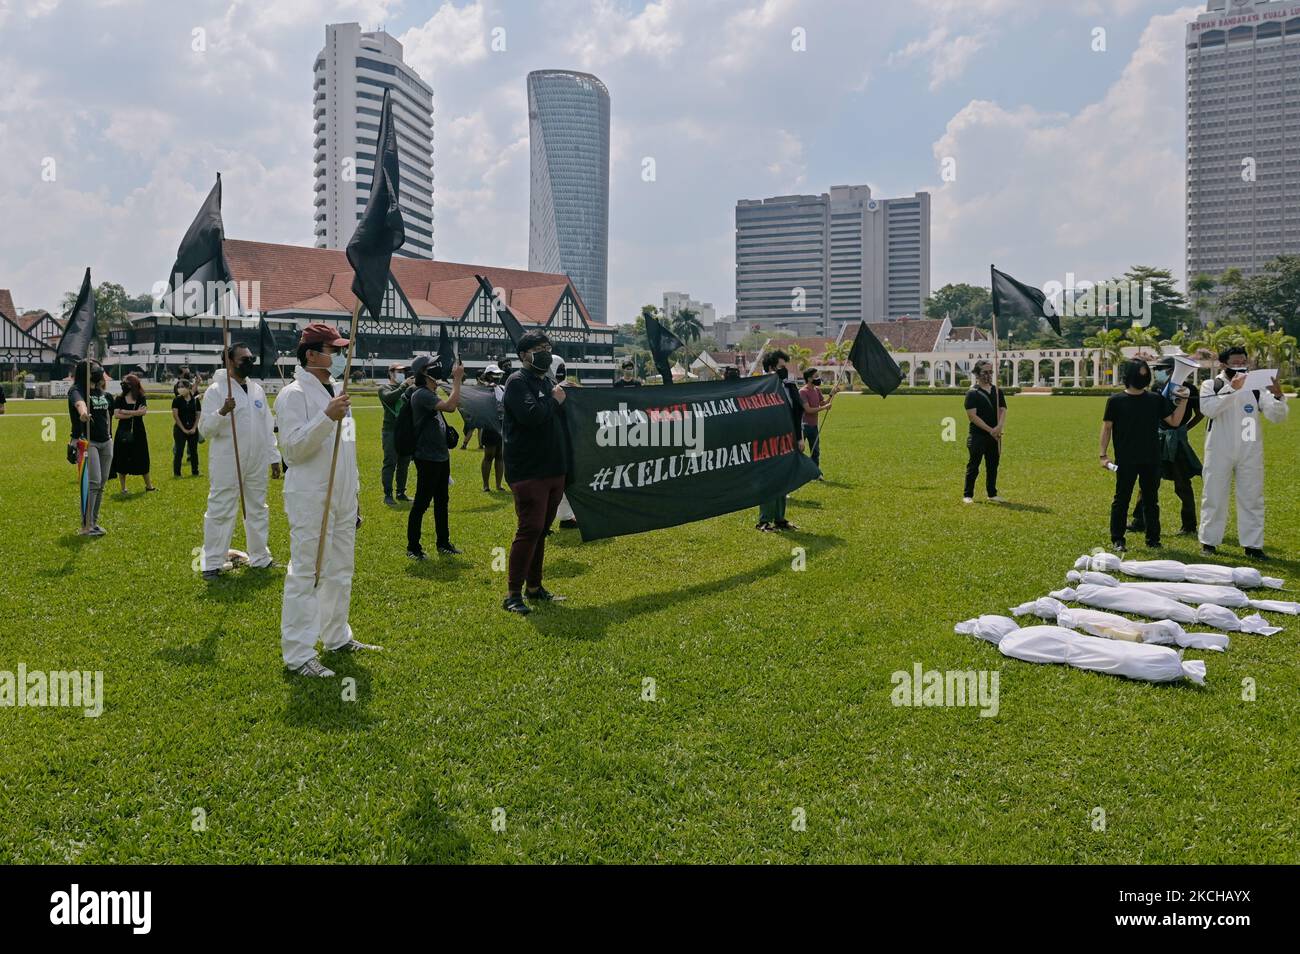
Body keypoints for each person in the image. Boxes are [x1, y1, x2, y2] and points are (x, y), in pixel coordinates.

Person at [276, 323, 379, 677]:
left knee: (339, 570)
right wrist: (325, 417)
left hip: (342, 496)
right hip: (311, 496)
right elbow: (292, 449)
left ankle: (336, 635)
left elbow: (346, 450)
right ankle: (299, 654)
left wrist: (356, 497)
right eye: (332, 351)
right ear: (311, 354)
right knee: (307, 572)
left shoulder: (340, 392)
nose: (337, 357)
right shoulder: (293, 395)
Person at [501, 330, 570, 614]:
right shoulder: (517, 382)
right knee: (529, 529)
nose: (545, 352)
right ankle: (512, 594)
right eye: (539, 348)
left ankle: (535, 587)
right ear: (523, 355)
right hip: (528, 469)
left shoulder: (547, 381)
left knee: (541, 530)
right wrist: (555, 400)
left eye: (548, 347)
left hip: (553, 466)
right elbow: (532, 417)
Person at [198, 343, 280, 580]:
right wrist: (222, 412)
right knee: (221, 509)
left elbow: (266, 426)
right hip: (227, 460)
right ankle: (212, 562)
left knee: (257, 508)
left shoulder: (256, 390)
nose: (250, 361)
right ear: (230, 361)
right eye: (244, 358)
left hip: (256, 460)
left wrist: (274, 457)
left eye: (251, 357)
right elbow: (205, 430)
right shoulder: (216, 390)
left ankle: (260, 557)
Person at [1198, 346, 1289, 559]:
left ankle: (1253, 545)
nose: (1239, 367)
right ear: (1223, 364)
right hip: (1219, 449)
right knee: (1214, 495)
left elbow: (1278, 417)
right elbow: (1209, 409)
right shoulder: (1211, 385)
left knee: (1252, 497)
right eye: (1235, 362)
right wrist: (1233, 390)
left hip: (1249, 448)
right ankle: (1209, 542)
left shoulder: (1256, 389)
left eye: (1243, 362)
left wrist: (1278, 396)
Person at [1099, 358, 1189, 553]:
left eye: (1145, 372)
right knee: (1121, 499)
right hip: (1126, 459)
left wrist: (1182, 401)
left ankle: (1153, 539)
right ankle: (1118, 539)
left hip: (1151, 458)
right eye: (1140, 372)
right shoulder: (1115, 401)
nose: (1144, 375)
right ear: (1130, 375)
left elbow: (1174, 421)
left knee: (1151, 500)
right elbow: (1107, 428)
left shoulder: (1155, 399)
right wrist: (1103, 455)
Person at [1128, 356, 1203, 538]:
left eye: (1160, 368)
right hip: (1157, 440)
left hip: (1177, 442)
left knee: (1182, 484)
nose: (1157, 372)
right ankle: (1139, 521)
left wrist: (1184, 429)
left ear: (1171, 369)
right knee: (1147, 482)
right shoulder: (1156, 388)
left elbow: (1200, 413)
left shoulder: (1189, 389)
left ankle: (1189, 525)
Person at [407, 354, 464, 559]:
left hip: (440, 455)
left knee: (442, 501)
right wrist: (457, 380)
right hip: (427, 456)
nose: (438, 367)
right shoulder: (421, 394)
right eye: (433, 365)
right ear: (423, 371)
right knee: (422, 502)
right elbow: (450, 407)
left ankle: (443, 542)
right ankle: (413, 547)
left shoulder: (432, 392)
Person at [755, 349, 805, 532]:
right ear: (771, 367)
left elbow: (797, 413)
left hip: (788, 439)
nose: (785, 370)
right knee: (769, 478)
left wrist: (799, 437)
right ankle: (764, 520)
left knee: (783, 478)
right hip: (767, 440)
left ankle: (780, 519)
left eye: (785, 366)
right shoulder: (760, 387)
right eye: (781, 367)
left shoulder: (790, 386)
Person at [68, 359, 113, 536]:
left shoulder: (101, 392)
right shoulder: (77, 390)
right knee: (93, 482)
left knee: (102, 483)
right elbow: (80, 403)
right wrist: (83, 413)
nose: (98, 371)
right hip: (88, 441)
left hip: (106, 441)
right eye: (94, 369)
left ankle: (94, 522)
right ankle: (85, 525)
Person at [963, 360, 1006, 504]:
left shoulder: (997, 391)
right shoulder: (972, 393)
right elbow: (972, 416)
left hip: (995, 435)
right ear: (977, 374)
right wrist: (990, 430)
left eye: (990, 372)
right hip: (978, 435)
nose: (988, 375)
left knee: (993, 465)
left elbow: (1002, 409)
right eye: (985, 372)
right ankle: (968, 494)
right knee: (974, 465)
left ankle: (992, 493)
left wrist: (999, 426)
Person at [110, 373, 155, 494]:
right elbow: (116, 415)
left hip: (138, 431)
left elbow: (143, 412)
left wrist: (125, 411)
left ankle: (149, 486)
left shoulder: (141, 397)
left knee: (142, 457)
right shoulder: (119, 398)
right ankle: (123, 488)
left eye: (127, 383)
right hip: (123, 432)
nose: (124, 385)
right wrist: (134, 412)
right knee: (122, 458)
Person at [377, 362, 413, 505]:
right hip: (390, 430)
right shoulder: (384, 388)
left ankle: (401, 492)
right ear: (390, 373)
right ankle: (388, 494)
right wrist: (404, 386)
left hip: (405, 431)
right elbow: (389, 398)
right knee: (390, 462)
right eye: (398, 371)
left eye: (403, 371)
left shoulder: (407, 389)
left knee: (404, 462)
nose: (401, 374)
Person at [799, 367, 834, 475]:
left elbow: (822, 403)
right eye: (816, 376)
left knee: (815, 451)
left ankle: (815, 473)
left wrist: (832, 395)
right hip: (803, 426)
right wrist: (824, 408)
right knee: (799, 451)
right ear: (809, 379)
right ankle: (797, 472)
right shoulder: (802, 392)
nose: (818, 378)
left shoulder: (817, 390)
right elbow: (808, 410)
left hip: (814, 426)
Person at [479, 364, 505, 492]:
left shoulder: (502, 388)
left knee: (500, 455)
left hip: (502, 425)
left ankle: (499, 484)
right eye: (495, 374)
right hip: (489, 425)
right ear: (488, 375)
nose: (498, 377)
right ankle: (486, 485)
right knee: (489, 455)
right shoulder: (483, 389)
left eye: (499, 374)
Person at [171, 378, 201, 477]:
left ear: (188, 387)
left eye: (182, 387)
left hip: (193, 429)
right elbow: (175, 415)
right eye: (179, 387)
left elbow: (198, 415)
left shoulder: (195, 400)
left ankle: (195, 471)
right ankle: (177, 473)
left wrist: (194, 428)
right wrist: (183, 429)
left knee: (193, 451)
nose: (180, 389)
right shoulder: (177, 400)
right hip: (180, 429)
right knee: (179, 451)